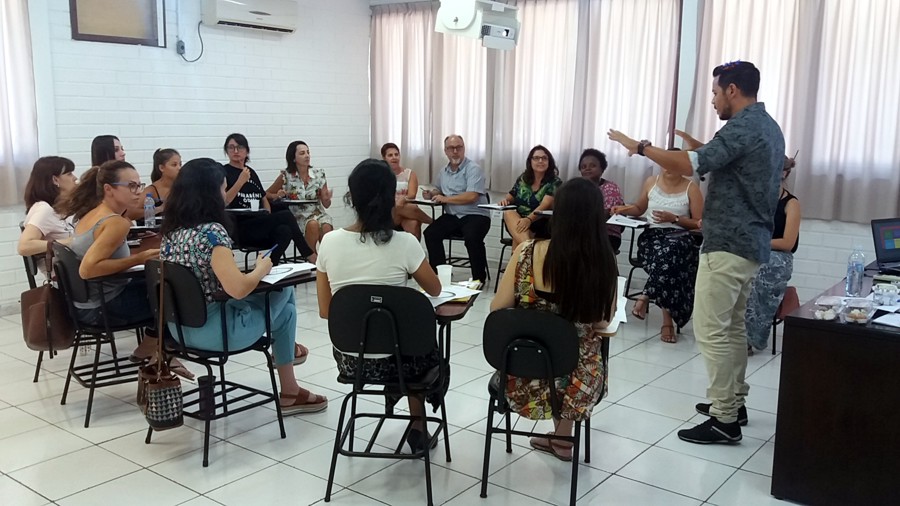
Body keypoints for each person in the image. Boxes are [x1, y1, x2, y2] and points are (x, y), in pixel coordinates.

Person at [609, 60, 785, 444]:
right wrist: (699, 146)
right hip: (748, 242)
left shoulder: (743, 125)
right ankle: (733, 402)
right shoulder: (767, 126)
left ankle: (724, 419)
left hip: (728, 243)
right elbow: (723, 158)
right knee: (732, 328)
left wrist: (638, 146)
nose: (713, 100)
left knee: (711, 330)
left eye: (715, 92)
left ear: (733, 90)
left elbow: (689, 165)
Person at [160, 158, 326, 414]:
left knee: (287, 312)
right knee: (284, 289)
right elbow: (238, 289)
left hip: (179, 330)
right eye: (222, 188)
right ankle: (290, 381)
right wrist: (261, 269)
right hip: (219, 332)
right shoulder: (212, 233)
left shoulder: (171, 232)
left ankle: (291, 385)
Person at [316, 158, 442, 452]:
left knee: (406, 343)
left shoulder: (329, 242)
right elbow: (435, 288)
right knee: (420, 345)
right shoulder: (405, 243)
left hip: (352, 360)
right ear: (391, 198)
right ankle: (418, 424)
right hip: (401, 361)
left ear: (351, 197)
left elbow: (325, 310)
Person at [491, 178, 617, 461]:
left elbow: (497, 309)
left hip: (522, 373)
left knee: (552, 353)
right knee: (579, 350)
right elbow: (603, 320)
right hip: (578, 383)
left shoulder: (527, 251)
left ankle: (559, 438)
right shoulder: (603, 260)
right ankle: (563, 436)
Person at [54, 160, 192, 379]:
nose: (138, 192)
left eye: (139, 185)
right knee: (176, 294)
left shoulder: (91, 214)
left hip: (83, 303)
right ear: (108, 189)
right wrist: (140, 257)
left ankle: (153, 348)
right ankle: (163, 353)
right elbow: (87, 270)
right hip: (102, 307)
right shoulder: (116, 223)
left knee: (160, 283)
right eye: (131, 186)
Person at [611, 152, 704, 343]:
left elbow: (700, 223)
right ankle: (663, 319)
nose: (668, 166)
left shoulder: (691, 188)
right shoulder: (651, 182)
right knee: (667, 259)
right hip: (652, 238)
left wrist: (675, 219)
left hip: (680, 238)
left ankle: (647, 296)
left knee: (671, 254)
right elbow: (639, 208)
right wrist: (624, 209)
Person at [221, 133, 316, 265]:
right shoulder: (223, 171)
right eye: (231, 147)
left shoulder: (251, 172)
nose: (236, 151)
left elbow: (263, 197)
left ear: (247, 151)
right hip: (241, 226)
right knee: (286, 216)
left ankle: (268, 267)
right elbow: (224, 201)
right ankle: (309, 255)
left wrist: (268, 215)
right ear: (226, 151)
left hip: (259, 222)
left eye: (240, 147)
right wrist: (240, 182)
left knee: (285, 231)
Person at [745, 155, 800, 352]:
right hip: (750, 250)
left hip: (777, 256)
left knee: (762, 271)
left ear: (783, 173)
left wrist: (759, 243)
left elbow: (787, 242)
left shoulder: (791, 203)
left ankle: (751, 337)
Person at [422, 135, 491, 283]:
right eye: (451, 148)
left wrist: (445, 199)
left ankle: (479, 278)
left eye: (458, 147)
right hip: (453, 216)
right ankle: (439, 273)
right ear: (445, 151)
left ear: (464, 148)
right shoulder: (443, 172)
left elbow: (471, 196)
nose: (455, 151)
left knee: (472, 237)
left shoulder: (473, 169)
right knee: (430, 233)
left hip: (476, 215)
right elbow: (439, 191)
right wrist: (432, 194)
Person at [265, 141, 334, 253]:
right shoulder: (286, 176)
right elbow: (266, 194)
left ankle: (327, 260)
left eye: (308, 152)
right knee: (312, 225)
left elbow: (326, 205)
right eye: (302, 153)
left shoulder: (318, 174)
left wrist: (326, 198)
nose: (307, 156)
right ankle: (310, 257)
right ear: (293, 158)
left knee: (326, 227)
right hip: (298, 215)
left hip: (318, 212)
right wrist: (276, 195)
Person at [497, 145, 562, 250]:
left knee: (517, 239)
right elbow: (510, 196)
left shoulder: (555, 182)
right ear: (530, 161)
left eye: (544, 158)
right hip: (520, 222)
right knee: (509, 213)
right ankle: (528, 249)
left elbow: (545, 205)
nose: (540, 161)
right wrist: (505, 201)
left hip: (541, 222)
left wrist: (528, 220)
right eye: (536, 158)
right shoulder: (523, 178)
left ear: (549, 162)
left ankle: (525, 252)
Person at [18, 157, 78, 264]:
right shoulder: (44, 209)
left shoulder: (58, 208)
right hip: (67, 277)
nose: (75, 178)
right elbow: (24, 246)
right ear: (55, 180)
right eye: (69, 174)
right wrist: (66, 243)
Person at [381, 142, 433, 239]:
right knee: (397, 206)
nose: (394, 157)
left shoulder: (410, 173)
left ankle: (416, 253)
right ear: (384, 158)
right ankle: (432, 222)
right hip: (389, 213)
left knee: (414, 224)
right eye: (390, 155)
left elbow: (412, 195)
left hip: (407, 211)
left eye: (396, 154)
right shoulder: (381, 175)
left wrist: (403, 199)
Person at [578, 149, 625, 252]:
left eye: (592, 166)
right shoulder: (576, 188)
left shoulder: (610, 188)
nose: (587, 169)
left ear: (602, 168)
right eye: (583, 167)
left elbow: (604, 214)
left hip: (606, 235)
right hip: (581, 233)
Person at [146, 148, 182, 213]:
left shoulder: (183, 187)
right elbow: (133, 212)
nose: (179, 168)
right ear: (162, 168)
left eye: (180, 164)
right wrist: (159, 209)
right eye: (174, 165)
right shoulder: (151, 190)